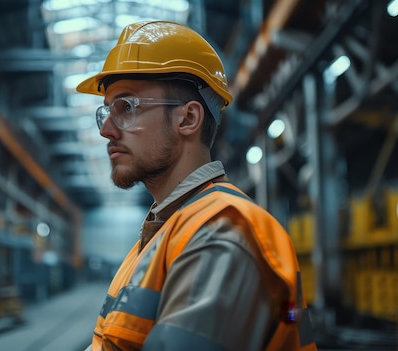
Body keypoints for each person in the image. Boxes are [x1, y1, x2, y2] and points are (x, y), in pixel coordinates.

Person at [76, 20, 317, 351]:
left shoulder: (222, 233)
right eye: (106, 113)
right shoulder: (161, 235)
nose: (107, 131)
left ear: (188, 119)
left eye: (127, 108)